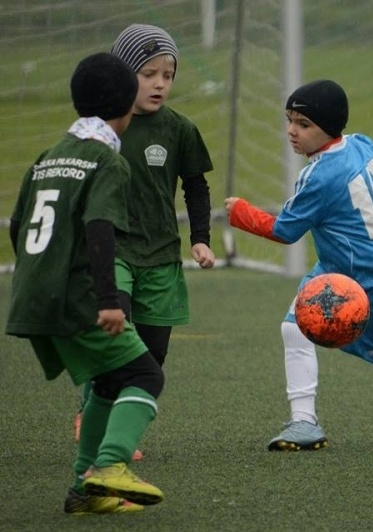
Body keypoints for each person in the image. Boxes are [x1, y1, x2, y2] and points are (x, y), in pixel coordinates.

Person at [224, 79, 373, 449]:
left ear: (328, 127)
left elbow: (284, 231)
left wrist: (240, 213)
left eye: (303, 124)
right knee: (294, 328)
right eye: (289, 120)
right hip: (334, 271)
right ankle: (304, 422)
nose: (292, 131)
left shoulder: (320, 176)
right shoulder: (360, 144)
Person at [5, 52, 164, 514]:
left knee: (109, 381)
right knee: (144, 374)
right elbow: (99, 227)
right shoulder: (106, 161)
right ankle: (110, 465)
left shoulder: (49, 156)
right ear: (128, 106)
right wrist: (109, 300)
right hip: (77, 296)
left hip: (34, 294)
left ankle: (83, 491)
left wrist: (39, 276)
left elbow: (17, 225)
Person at [72, 24, 216, 460]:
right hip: (113, 250)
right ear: (122, 75)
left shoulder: (180, 129)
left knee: (152, 354)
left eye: (167, 75)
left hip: (160, 254)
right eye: (148, 73)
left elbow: (196, 187)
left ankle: (115, 416)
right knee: (118, 338)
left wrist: (200, 239)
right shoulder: (102, 130)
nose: (159, 84)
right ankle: (96, 418)